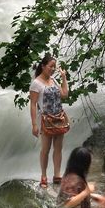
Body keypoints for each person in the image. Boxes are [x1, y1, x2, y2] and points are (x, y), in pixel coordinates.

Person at [29, 53, 69, 188]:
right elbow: (33, 105)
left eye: (54, 67)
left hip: (59, 118)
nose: (52, 69)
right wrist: (34, 124)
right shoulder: (36, 83)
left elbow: (64, 94)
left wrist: (63, 78)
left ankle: (57, 175)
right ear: (43, 66)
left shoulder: (54, 80)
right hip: (45, 120)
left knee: (58, 148)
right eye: (50, 66)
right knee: (45, 149)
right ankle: (44, 176)